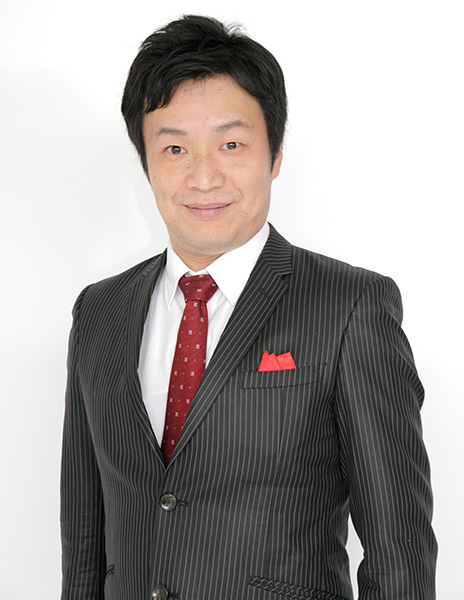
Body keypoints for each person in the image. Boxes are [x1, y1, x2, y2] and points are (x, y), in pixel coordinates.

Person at [60, 15, 437, 600]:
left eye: (231, 145)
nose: (203, 177)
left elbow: (400, 560)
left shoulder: (350, 307)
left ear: (275, 153)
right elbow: (85, 548)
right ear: (146, 163)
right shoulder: (99, 312)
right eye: (175, 148)